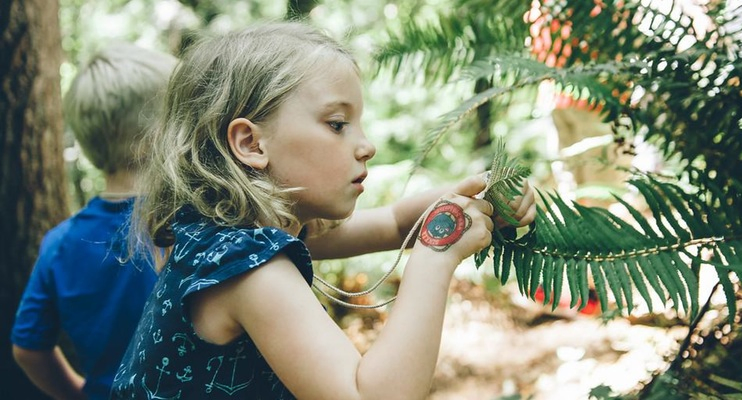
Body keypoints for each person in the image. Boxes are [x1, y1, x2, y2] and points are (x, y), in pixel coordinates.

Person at [111, 21, 536, 400]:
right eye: (337, 124)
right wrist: (437, 253)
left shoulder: (230, 233)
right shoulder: (245, 268)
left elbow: (393, 222)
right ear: (251, 144)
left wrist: (467, 194)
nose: (367, 145)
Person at [11, 43, 177, 400]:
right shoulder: (186, 222)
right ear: (155, 138)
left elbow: (28, 348)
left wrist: (80, 395)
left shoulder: (59, 243)